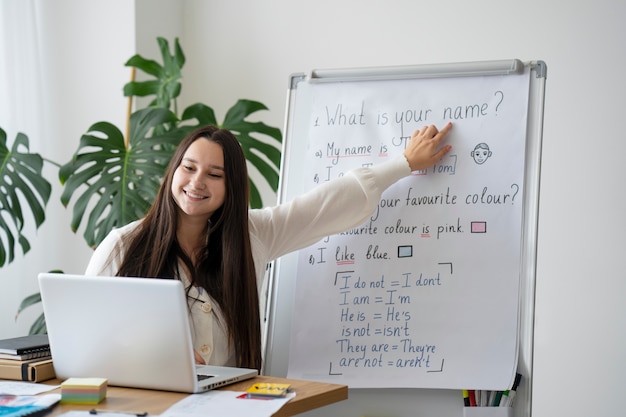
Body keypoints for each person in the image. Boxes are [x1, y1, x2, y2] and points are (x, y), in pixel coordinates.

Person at [85, 122, 453, 371]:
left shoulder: (251, 235)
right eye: (189, 168)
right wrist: (161, 355)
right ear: (172, 172)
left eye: (215, 174)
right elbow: (90, 338)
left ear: (232, 188)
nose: (197, 182)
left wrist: (404, 163)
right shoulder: (123, 246)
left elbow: (323, 207)